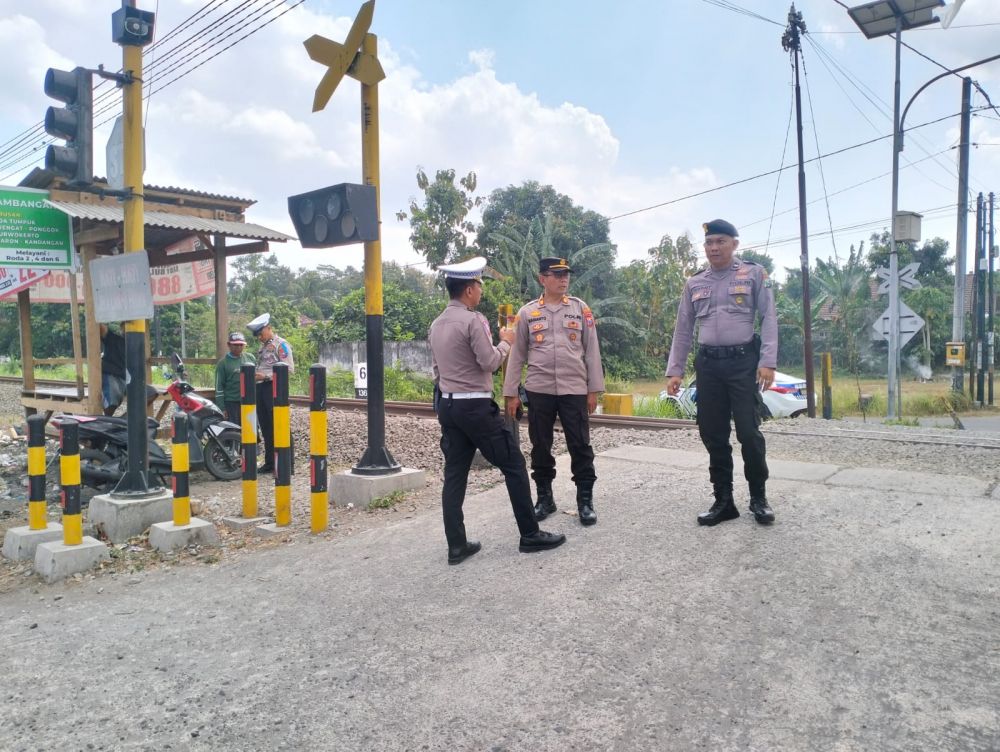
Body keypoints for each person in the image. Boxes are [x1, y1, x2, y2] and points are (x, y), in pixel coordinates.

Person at [427, 256, 566, 565]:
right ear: (468, 290)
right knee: (514, 464)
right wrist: (506, 342)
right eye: (479, 284)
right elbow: (489, 362)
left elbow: (436, 371)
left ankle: (457, 546)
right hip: (475, 407)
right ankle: (530, 534)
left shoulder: (436, 324)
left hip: (448, 406)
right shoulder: (473, 320)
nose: (481, 289)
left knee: (455, 475)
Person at [665, 219, 778, 526]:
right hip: (708, 366)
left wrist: (767, 361)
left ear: (734, 244)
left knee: (748, 432)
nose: (714, 248)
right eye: (709, 243)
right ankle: (724, 501)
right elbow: (683, 329)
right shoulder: (695, 282)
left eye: (720, 242)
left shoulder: (754, 274)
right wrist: (675, 370)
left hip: (743, 363)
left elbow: (768, 318)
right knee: (712, 433)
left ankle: (758, 498)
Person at [502, 257, 605, 526]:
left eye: (566, 274)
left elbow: (592, 350)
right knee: (540, 446)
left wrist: (593, 389)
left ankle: (585, 501)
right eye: (557, 275)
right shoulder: (527, 313)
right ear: (542, 279)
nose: (563, 279)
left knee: (580, 445)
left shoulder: (580, 309)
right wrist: (511, 393)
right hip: (540, 389)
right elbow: (517, 354)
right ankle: (545, 498)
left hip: (574, 389)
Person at [247, 313, 294, 474]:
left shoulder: (281, 345)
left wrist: (266, 376)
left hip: (274, 388)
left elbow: (288, 369)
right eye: (257, 335)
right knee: (266, 427)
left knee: (280, 425)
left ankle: (287, 464)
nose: (259, 337)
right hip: (261, 388)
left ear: (269, 328)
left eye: (261, 333)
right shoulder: (263, 347)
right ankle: (270, 463)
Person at [215, 332, 255, 425]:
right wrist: (222, 408)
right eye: (235, 345)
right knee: (234, 428)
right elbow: (219, 387)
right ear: (229, 345)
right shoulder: (223, 363)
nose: (239, 347)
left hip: (249, 401)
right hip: (231, 402)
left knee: (250, 427)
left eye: (241, 345)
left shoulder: (250, 358)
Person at [99, 323, 126, 416]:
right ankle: (108, 418)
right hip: (110, 374)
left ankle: (125, 419)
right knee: (112, 395)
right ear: (122, 328)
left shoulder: (136, 344)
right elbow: (102, 329)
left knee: (151, 392)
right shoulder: (114, 339)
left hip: (127, 378)